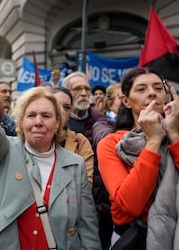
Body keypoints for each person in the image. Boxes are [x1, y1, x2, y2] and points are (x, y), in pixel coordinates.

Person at [0, 26, 101, 249]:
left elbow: (87, 227)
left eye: (46, 115)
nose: (38, 121)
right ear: (21, 122)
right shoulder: (6, 151)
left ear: (58, 122)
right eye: (31, 115)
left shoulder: (75, 165)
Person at [97, 67, 179, 249]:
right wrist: (153, 141)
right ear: (126, 101)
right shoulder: (111, 143)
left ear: (166, 96)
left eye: (158, 88)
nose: (152, 93)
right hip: (136, 239)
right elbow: (130, 205)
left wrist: (175, 135)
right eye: (141, 89)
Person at [61, 71, 113, 249]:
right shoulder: (57, 122)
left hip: (99, 203)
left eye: (86, 88)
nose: (84, 93)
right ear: (67, 93)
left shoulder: (101, 119)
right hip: (67, 203)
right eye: (77, 89)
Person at [52, 86, 94, 186]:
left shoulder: (80, 142)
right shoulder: (32, 139)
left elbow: (85, 186)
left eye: (66, 107)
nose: (61, 111)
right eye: (55, 105)